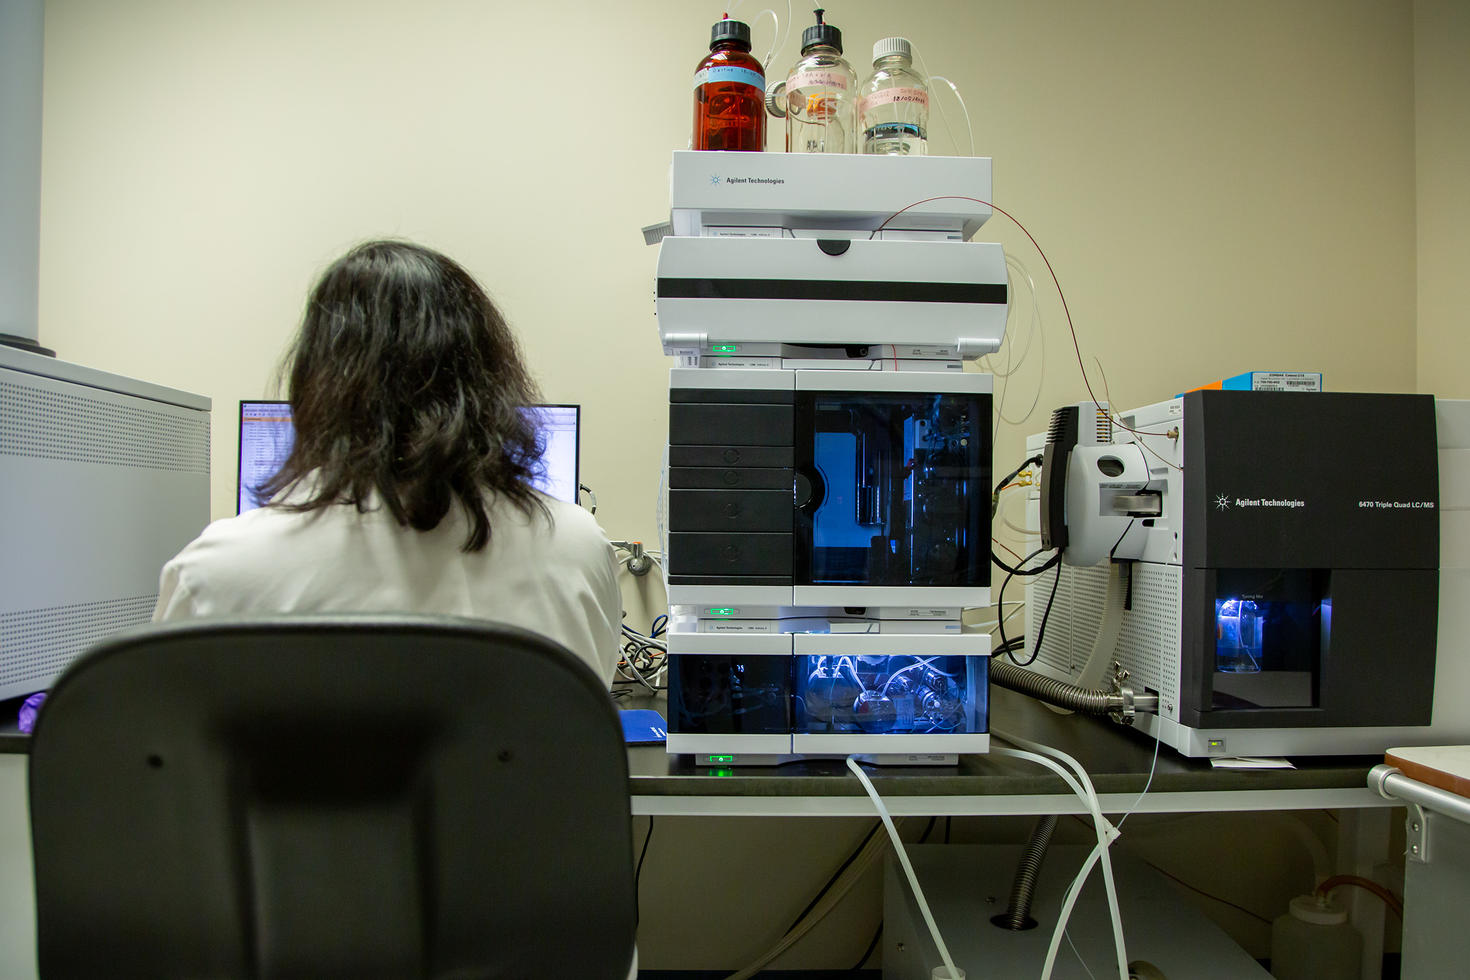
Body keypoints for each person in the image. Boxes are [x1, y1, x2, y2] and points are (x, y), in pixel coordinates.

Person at [153, 239, 622, 685]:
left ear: (316, 383)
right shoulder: (578, 549)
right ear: (490, 380)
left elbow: (169, 751)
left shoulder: (216, 573)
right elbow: (583, 716)